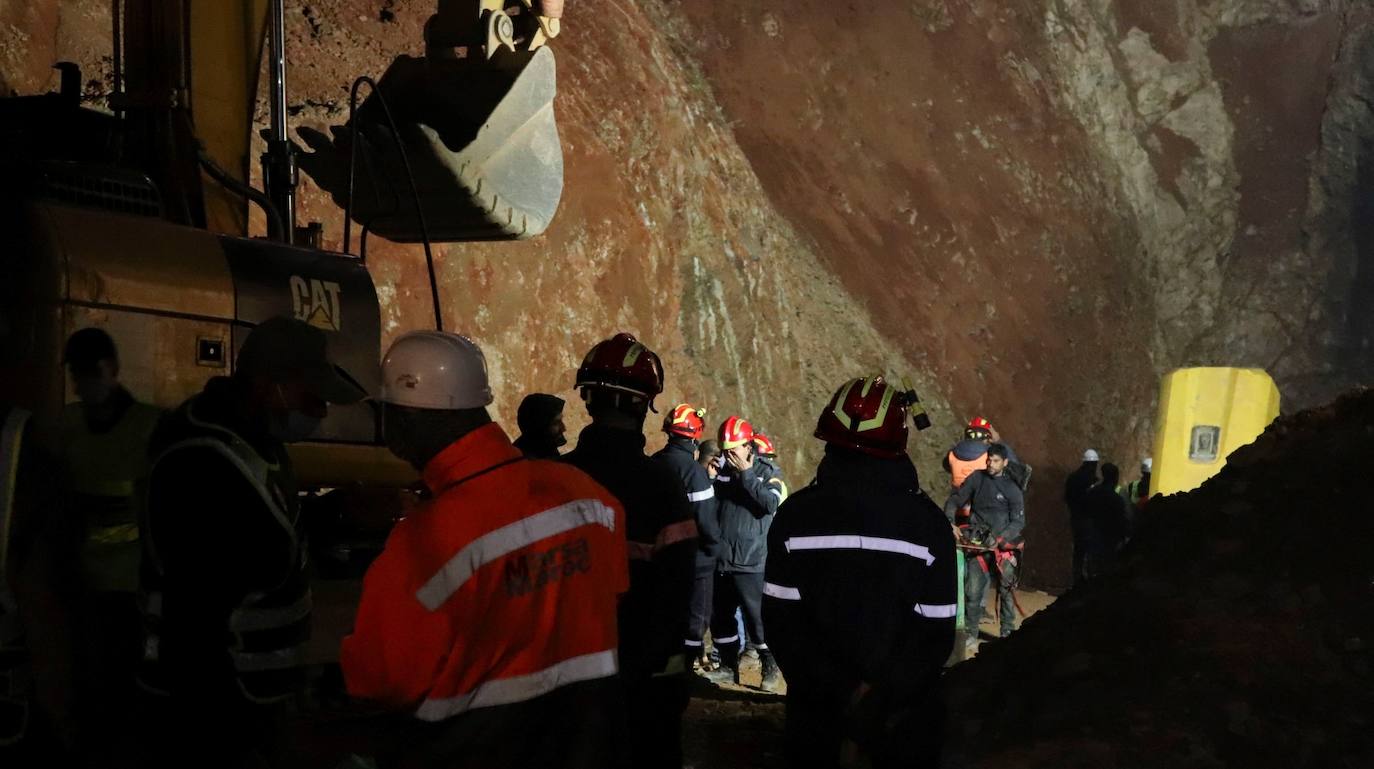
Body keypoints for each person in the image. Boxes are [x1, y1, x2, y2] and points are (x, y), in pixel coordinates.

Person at [341, 331, 629, 768]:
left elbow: (381, 679)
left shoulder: (423, 541)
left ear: (407, 417)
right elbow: (609, 596)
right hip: (586, 745)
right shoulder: (592, 499)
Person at [139, 317, 366, 768]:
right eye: (312, 397)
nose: (320, 412)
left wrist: (338, 509)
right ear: (270, 386)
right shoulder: (203, 464)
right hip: (215, 717)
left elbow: (257, 537)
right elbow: (194, 628)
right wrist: (235, 746)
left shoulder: (253, 437)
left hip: (252, 705)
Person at [764, 375, 955, 769]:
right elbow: (934, 636)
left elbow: (782, 626)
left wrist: (844, 692)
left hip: (816, 720)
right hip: (901, 725)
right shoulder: (929, 526)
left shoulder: (794, 518)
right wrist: (877, 699)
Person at [563, 333, 697, 769]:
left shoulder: (550, 480)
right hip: (641, 676)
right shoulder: (663, 487)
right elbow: (678, 590)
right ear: (644, 406)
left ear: (587, 400)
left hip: (562, 676)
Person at [58, 328, 163, 757]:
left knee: (120, 689)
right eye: (78, 374)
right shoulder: (68, 428)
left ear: (112, 370)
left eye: (90, 372)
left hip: (126, 591)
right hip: (81, 587)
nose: (84, 383)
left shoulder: (148, 429)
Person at [709, 416, 784, 691]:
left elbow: (770, 503)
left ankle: (770, 666)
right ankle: (728, 668)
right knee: (722, 617)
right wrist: (710, 479)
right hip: (722, 559)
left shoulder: (767, 471)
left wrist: (747, 474)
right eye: (726, 449)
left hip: (751, 560)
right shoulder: (722, 471)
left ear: (748, 446)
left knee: (756, 619)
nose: (729, 454)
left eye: (734, 449)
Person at [652, 404, 721, 666]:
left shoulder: (655, 462)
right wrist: (716, 551)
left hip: (658, 556)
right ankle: (686, 672)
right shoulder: (695, 474)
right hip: (695, 561)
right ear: (694, 436)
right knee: (695, 621)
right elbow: (707, 521)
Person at [943, 444, 1025, 647]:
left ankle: (1007, 633)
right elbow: (956, 500)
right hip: (977, 544)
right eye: (989, 459)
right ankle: (970, 632)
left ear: (1005, 463)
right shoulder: (976, 479)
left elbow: (1018, 521)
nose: (990, 463)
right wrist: (950, 521)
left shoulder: (1012, 489)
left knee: (1006, 591)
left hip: (1002, 549)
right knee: (972, 592)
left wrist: (1001, 539)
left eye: (995, 460)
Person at [1083, 463, 1132, 576]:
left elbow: (1085, 511)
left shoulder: (1093, 492)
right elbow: (1122, 520)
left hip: (1093, 536)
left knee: (1092, 570)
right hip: (1109, 541)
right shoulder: (1116, 499)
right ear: (1115, 477)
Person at [1064, 448, 1100, 587]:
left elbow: (1067, 498)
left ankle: (1076, 581)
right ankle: (1088, 583)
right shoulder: (1093, 480)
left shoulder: (1072, 478)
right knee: (1090, 552)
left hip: (1076, 518)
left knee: (1078, 552)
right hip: (1089, 521)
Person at [512, 392, 567, 459]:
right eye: (555, 423)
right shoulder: (523, 461)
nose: (563, 428)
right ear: (539, 426)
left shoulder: (546, 451)